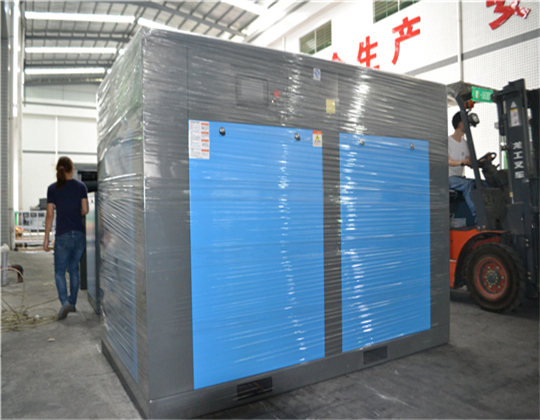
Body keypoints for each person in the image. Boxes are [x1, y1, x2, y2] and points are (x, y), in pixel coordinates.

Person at [43, 157, 89, 320]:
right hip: (79, 235)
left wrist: (46, 238)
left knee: (60, 272)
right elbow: (85, 210)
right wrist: (76, 213)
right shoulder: (81, 187)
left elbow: (50, 215)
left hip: (62, 235)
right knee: (74, 269)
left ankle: (64, 303)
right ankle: (72, 302)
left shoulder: (52, 189)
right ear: (71, 169)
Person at [448, 111, 477, 222]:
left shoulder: (465, 143)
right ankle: (478, 216)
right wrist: (462, 162)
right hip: (448, 178)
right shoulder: (448, 141)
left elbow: (469, 160)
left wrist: (478, 162)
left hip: (459, 178)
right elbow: (448, 161)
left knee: (481, 184)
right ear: (460, 124)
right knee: (467, 185)